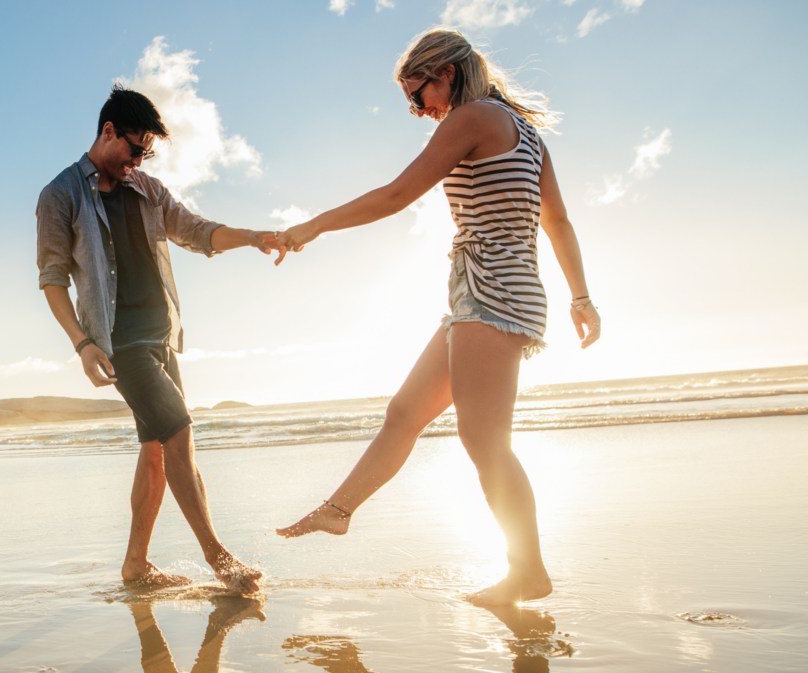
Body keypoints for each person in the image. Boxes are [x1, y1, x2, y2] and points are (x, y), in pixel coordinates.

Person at [273, 29, 601, 607]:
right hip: (491, 292)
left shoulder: (472, 117)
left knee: (485, 442)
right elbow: (559, 222)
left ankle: (528, 571)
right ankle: (338, 511)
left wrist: (314, 225)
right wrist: (580, 298)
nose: (417, 110)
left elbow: (398, 194)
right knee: (405, 412)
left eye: (416, 94)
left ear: (445, 73)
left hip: (491, 292)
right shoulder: (526, 132)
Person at [37, 85, 272, 593]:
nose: (138, 160)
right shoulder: (60, 195)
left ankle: (136, 565)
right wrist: (82, 344)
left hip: (163, 339)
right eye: (134, 148)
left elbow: (197, 231)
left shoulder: (147, 190)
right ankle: (220, 558)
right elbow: (53, 278)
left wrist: (251, 236)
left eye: (146, 152)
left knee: (156, 450)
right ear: (107, 131)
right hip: (121, 344)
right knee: (180, 432)